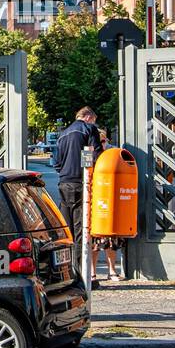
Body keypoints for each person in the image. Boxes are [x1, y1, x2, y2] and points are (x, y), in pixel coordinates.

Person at [54, 106, 104, 256]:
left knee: (67, 228)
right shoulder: (89, 129)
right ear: (88, 117)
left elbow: (56, 163)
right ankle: (80, 268)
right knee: (81, 227)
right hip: (81, 182)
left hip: (64, 183)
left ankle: (66, 262)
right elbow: (95, 155)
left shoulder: (62, 135)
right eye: (94, 121)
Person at [92, 127, 123, 282]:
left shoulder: (111, 156)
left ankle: (112, 270)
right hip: (94, 202)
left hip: (109, 201)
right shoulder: (91, 157)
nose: (102, 144)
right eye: (99, 141)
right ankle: (92, 272)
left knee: (111, 239)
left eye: (104, 141)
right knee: (94, 241)